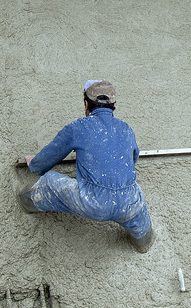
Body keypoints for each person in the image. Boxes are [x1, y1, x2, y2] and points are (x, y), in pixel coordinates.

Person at [18, 79, 155, 252]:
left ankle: (24, 202)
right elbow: (133, 159)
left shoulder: (78, 127)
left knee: (49, 183)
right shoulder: (126, 128)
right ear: (113, 105)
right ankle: (143, 244)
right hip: (130, 202)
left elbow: (48, 158)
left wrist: (35, 164)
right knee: (140, 219)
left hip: (94, 203)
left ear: (86, 104)